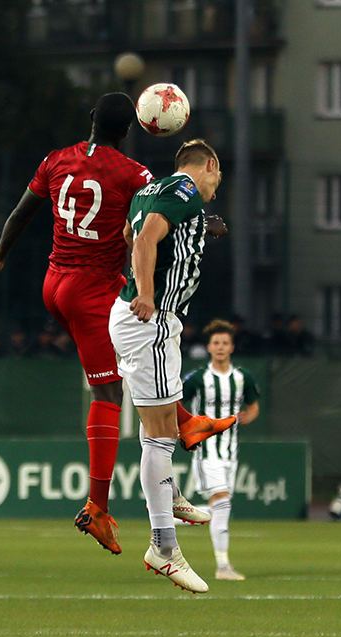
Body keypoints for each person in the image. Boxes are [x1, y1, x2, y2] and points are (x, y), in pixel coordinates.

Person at [0, 94, 234, 557]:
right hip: (92, 290)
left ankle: (185, 426)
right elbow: (155, 220)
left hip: (55, 283)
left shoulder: (56, 159)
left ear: (92, 119)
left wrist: (0, 255)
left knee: (136, 364)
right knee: (111, 390)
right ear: (131, 130)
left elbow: (21, 212)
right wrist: (205, 225)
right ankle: (98, 507)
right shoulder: (134, 174)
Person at [109, 138, 227, 593]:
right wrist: (146, 292)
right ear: (208, 165)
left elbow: (129, 232)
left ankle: (170, 496)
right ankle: (163, 546)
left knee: (159, 432)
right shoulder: (184, 190)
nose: (216, 186)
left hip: (142, 322)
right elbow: (142, 241)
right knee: (160, 437)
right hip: (150, 320)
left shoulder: (150, 191)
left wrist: (196, 231)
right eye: (218, 176)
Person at [182, 319, 261, 580]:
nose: (220, 347)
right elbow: (176, 403)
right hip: (206, 451)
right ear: (208, 347)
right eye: (216, 342)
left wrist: (250, 416)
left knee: (219, 507)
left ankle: (170, 519)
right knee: (223, 504)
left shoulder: (242, 377)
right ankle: (223, 566)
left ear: (232, 347)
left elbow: (253, 406)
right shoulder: (198, 378)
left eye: (225, 343)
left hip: (230, 452)